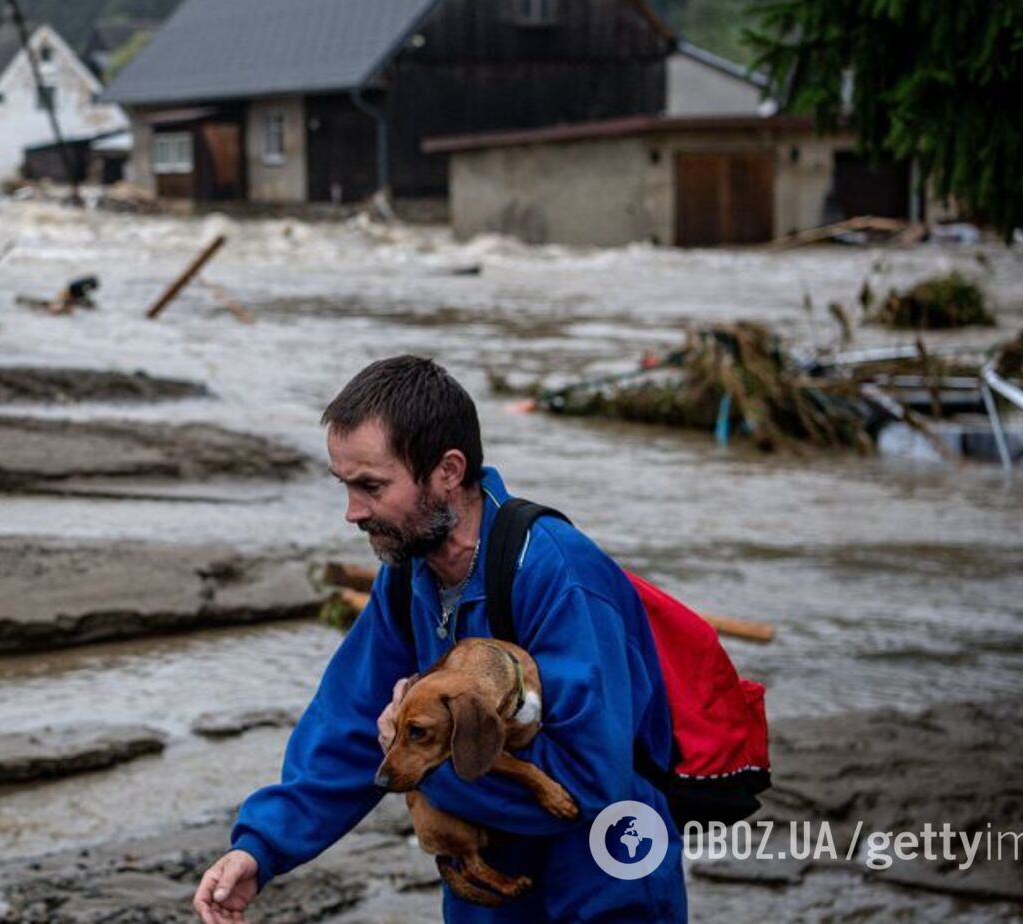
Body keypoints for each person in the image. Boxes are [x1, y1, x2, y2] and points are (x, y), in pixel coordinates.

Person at [191, 356, 685, 923]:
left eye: (371, 486)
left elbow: (588, 783)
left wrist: (424, 758)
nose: (352, 512)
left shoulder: (559, 575)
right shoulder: (410, 574)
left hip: (606, 888)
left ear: (448, 471)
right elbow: (349, 723)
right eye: (345, 485)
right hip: (489, 898)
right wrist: (260, 849)